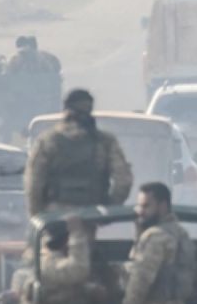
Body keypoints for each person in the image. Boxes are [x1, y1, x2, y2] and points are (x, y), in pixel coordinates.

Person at [25, 89, 132, 217]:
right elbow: (123, 180)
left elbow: (34, 183)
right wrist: (108, 207)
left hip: (54, 214)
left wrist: (38, 215)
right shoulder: (104, 141)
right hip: (91, 213)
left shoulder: (48, 141)